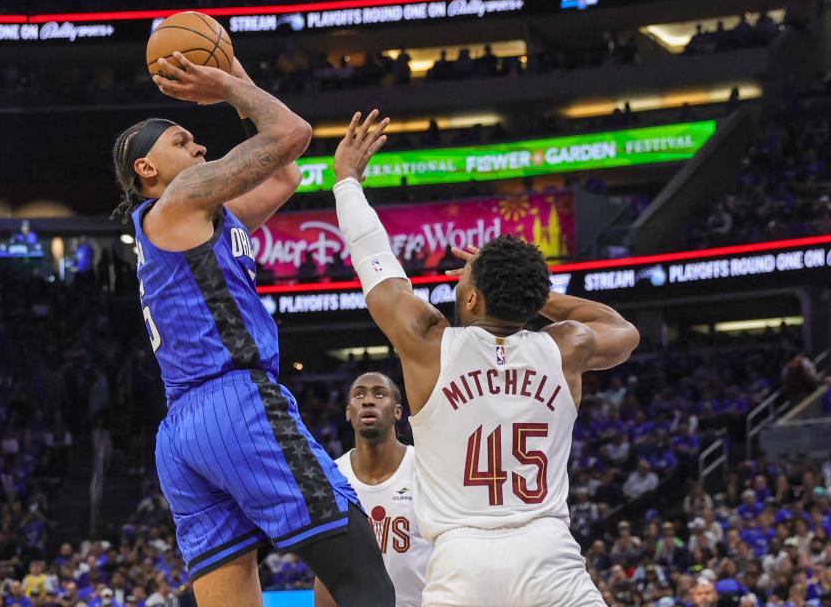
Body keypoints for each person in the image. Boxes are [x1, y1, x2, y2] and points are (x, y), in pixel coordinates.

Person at [113, 53, 393, 607]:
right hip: (234, 405)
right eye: (179, 140)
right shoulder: (178, 201)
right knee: (361, 567)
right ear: (147, 169)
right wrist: (222, 81)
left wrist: (236, 71)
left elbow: (286, 171)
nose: (197, 147)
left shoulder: (201, 216)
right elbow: (292, 133)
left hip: (182, 434)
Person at [329, 109, 639, 606]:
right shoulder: (567, 347)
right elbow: (624, 331)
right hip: (548, 554)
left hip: (461, 560)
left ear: (473, 301)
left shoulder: (429, 342)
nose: (457, 282)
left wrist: (347, 181)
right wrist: (538, 297)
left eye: (464, 281)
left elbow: (375, 264)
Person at [315, 373, 432, 607]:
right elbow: (326, 567)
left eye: (379, 394)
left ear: (398, 411)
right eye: (359, 395)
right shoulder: (331, 477)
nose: (368, 401)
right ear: (349, 413)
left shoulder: (426, 467)